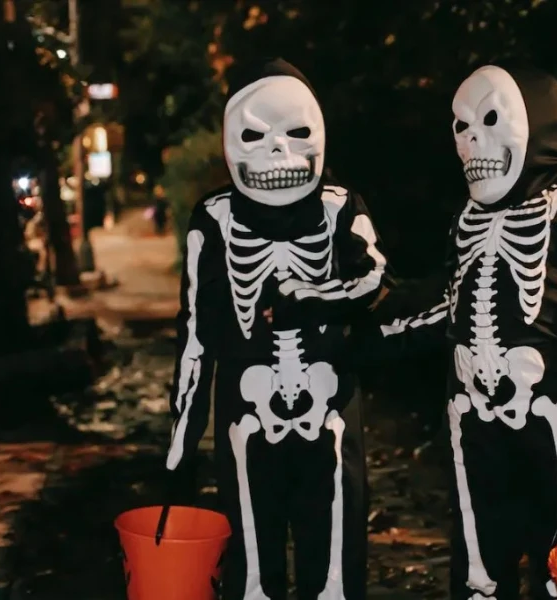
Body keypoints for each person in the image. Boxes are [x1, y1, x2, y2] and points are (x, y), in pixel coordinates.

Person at [360, 63, 557, 599]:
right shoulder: (465, 217)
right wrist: (358, 335)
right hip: (474, 425)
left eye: (488, 120)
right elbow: (452, 306)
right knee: (479, 572)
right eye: (460, 127)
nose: (469, 142)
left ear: (538, 123)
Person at [164, 57, 388, 600]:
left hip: (330, 421)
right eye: (256, 135)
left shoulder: (339, 209)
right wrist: (179, 450)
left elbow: (377, 281)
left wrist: (312, 300)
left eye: (295, 133)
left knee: (335, 577)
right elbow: (196, 334)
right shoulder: (214, 220)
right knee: (251, 580)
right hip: (246, 426)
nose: (276, 151)